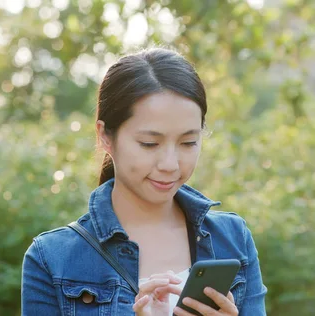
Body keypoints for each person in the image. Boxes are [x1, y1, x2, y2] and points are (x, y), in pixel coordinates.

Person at [21, 47, 267, 315]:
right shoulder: (52, 259)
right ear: (105, 136)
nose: (170, 164)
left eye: (188, 142)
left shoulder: (232, 239)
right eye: (150, 144)